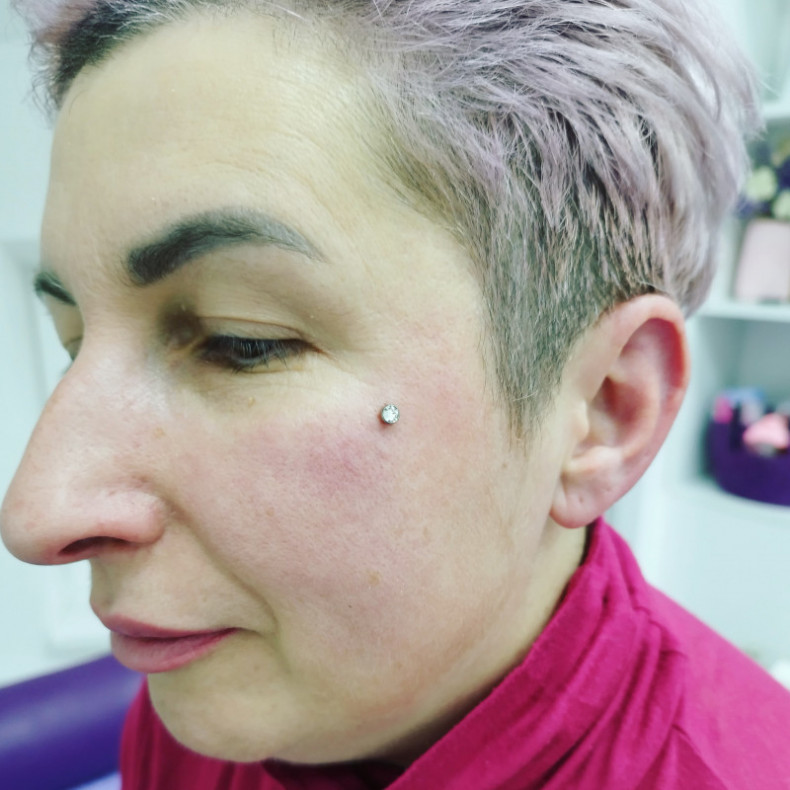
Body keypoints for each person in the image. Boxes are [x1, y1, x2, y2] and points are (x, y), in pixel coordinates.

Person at [2, 0, 789, 787]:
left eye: (241, 343)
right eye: (74, 344)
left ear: (603, 411)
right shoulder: (205, 693)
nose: (38, 513)